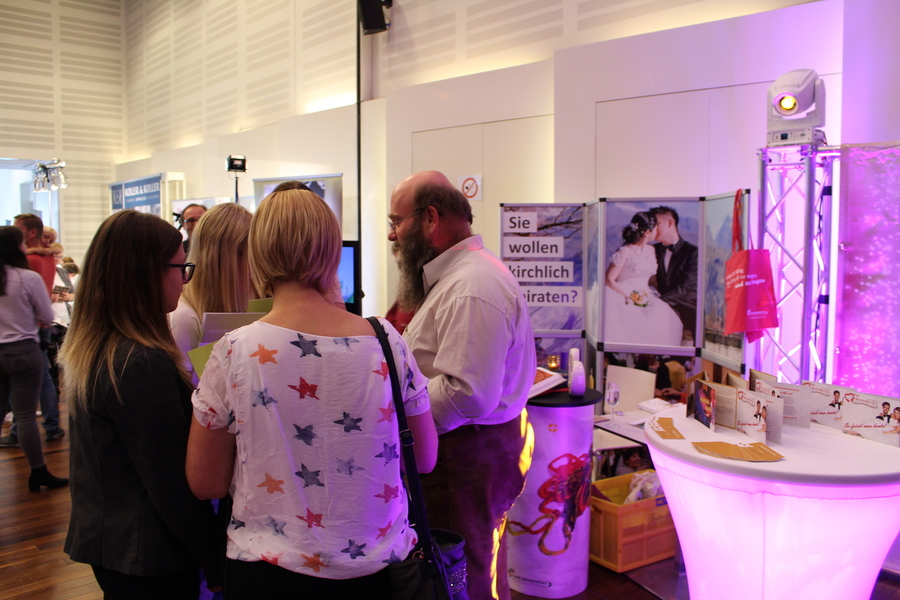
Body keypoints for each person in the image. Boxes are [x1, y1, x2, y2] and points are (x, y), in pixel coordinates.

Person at [185, 188, 437, 598]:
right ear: (332, 252)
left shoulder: (234, 351)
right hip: (379, 572)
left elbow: (205, 482)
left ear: (258, 252)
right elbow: (423, 458)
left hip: (269, 572)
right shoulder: (386, 341)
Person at [388, 170, 536, 600]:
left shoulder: (472, 285)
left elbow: (467, 393)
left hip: (464, 456)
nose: (392, 235)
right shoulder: (463, 276)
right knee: (476, 560)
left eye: (396, 222)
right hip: (466, 452)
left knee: (464, 571)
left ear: (430, 218)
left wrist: (402, 414)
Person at [59, 210, 222, 599]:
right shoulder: (139, 362)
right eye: (180, 268)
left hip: (114, 540)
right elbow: (171, 482)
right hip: (149, 551)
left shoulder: (101, 348)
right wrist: (215, 561)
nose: (184, 280)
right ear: (145, 273)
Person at [0, 226, 68, 492]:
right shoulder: (27, 278)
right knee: (26, 414)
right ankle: (38, 471)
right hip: (23, 349)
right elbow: (45, 314)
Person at [169, 203, 253, 385]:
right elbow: (183, 391)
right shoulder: (185, 318)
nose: (252, 265)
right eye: (246, 254)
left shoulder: (245, 301)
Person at [605, 212, 683, 347]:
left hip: (646, 293)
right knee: (630, 317)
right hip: (622, 293)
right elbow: (609, 279)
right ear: (647, 232)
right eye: (655, 229)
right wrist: (627, 296)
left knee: (661, 314)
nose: (657, 232)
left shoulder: (652, 250)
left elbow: (651, 278)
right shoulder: (625, 251)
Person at [650, 206, 698, 344]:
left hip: (687, 309)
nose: (652, 228)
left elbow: (685, 288)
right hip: (658, 309)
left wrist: (658, 302)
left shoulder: (693, 252)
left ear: (670, 223)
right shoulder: (651, 250)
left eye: (656, 223)